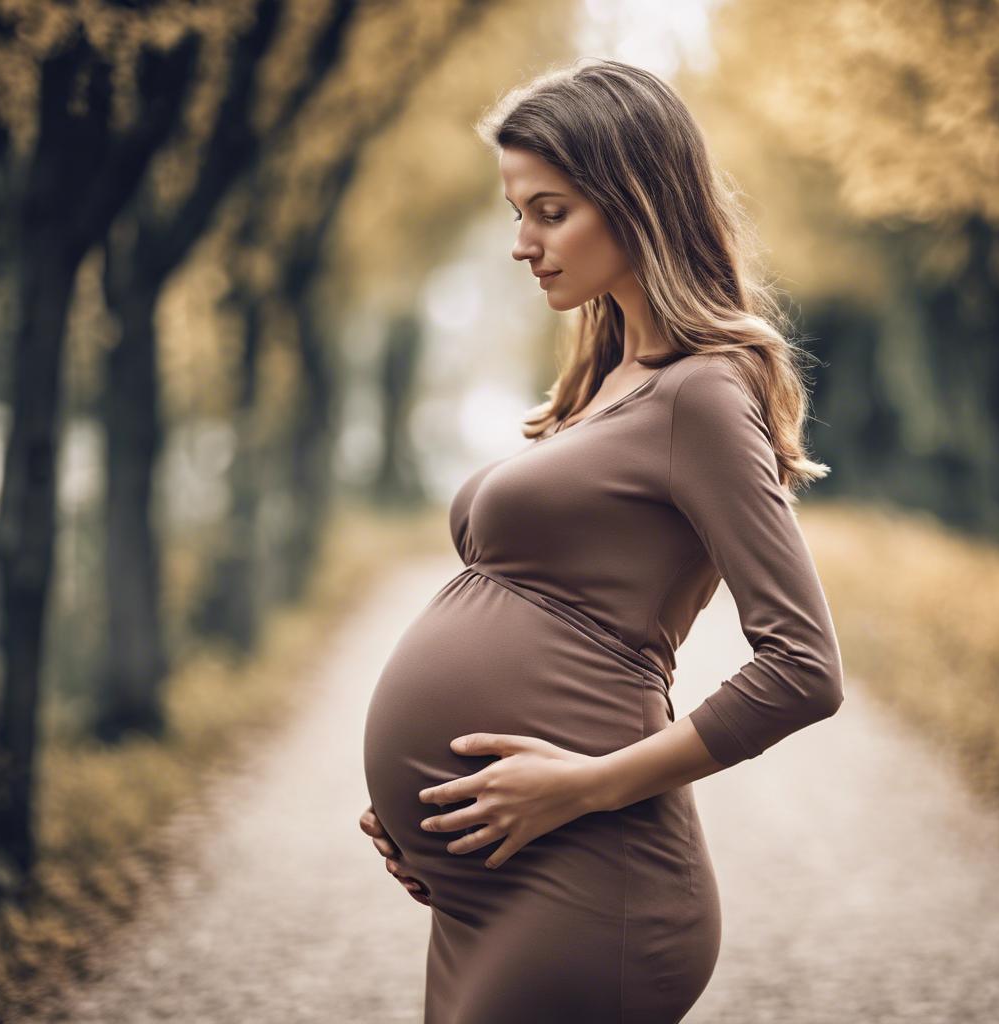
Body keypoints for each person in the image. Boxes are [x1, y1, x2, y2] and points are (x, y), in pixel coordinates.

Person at [359, 57, 844, 1023]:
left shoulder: (703, 391)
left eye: (550, 211)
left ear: (638, 203)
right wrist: (423, 813)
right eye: (516, 213)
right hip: (495, 880)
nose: (522, 244)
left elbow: (805, 668)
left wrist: (577, 789)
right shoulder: (609, 380)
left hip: (592, 881)